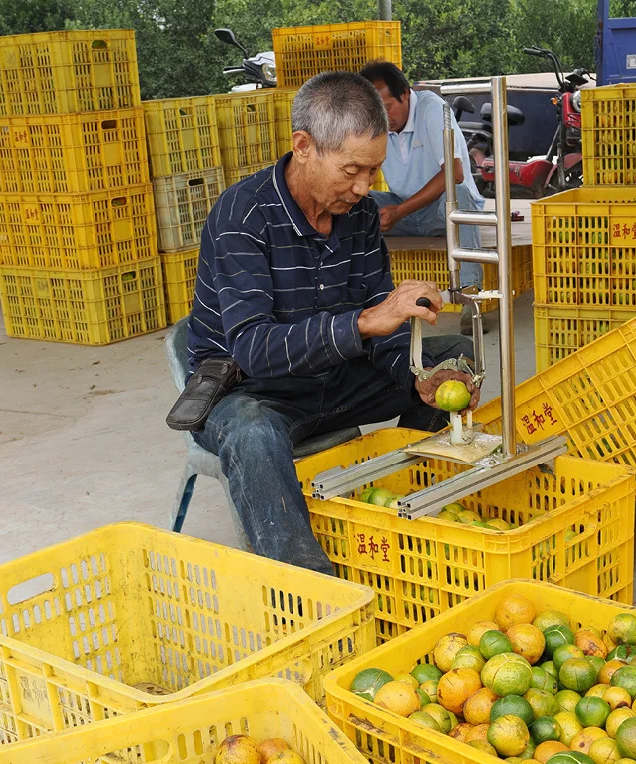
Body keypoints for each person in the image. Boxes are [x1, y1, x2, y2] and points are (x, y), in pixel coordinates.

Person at [186, 71, 478, 575]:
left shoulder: (359, 214)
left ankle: (398, 509)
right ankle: (308, 588)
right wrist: (364, 322)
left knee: (453, 361)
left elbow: (380, 322)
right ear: (304, 146)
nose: (365, 188)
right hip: (256, 390)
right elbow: (254, 349)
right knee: (252, 431)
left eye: (375, 171)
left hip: (338, 378)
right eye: (351, 170)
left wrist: (414, 372)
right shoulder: (243, 215)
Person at [359, 59, 486, 314]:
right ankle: (364, 297)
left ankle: (470, 296)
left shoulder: (432, 109)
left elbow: (455, 173)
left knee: (458, 194)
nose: (382, 118)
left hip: (441, 211)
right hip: (402, 210)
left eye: (387, 107)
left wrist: (398, 212)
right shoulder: (375, 123)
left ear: (405, 94)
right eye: (375, 111)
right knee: (353, 202)